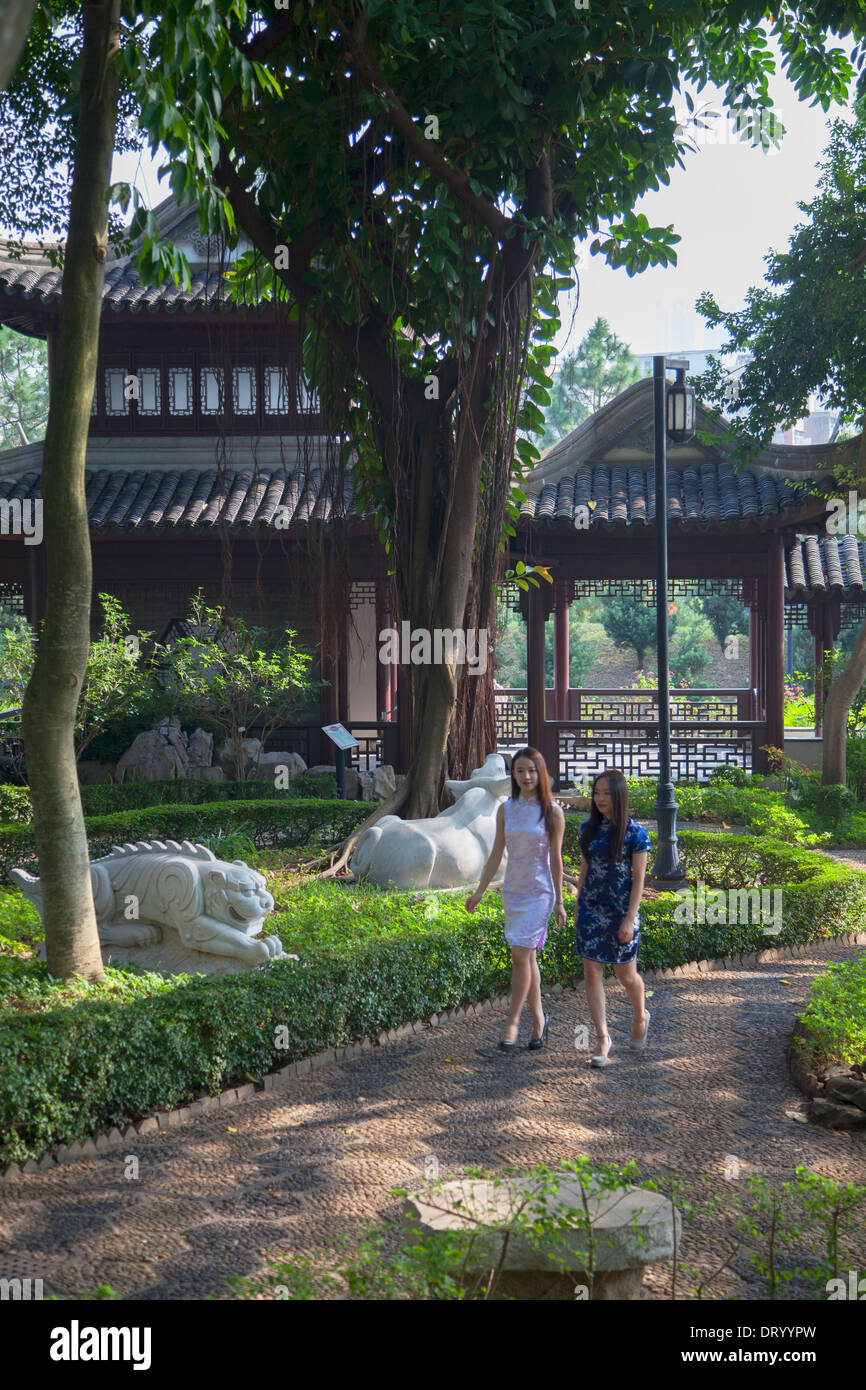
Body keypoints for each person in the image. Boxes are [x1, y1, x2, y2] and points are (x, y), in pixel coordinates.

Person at [466, 747, 567, 1051]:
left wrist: (560, 901)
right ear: (513, 774)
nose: (526, 776)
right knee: (527, 958)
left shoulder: (552, 811)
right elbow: (496, 853)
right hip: (514, 892)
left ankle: (511, 1022)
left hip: (539, 892)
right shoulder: (505, 809)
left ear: (541, 773)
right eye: (520, 771)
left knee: (520, 957)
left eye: (532, 770)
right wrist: (480, 891)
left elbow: (556, 860)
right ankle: (539, 1021)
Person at [575, 769, 651, 1066]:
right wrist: (577, 904)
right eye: (597, 792)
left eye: (607, 793)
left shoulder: (635, 833)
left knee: (626, 975)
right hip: (591, 910)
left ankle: (640, 1015)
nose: (600, 798)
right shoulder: (587, 829)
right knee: (592, 972)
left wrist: (630, 918)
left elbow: (639, 878)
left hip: (621, 912)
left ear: (619, 796)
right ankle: (603, 1038)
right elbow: (584, 869)